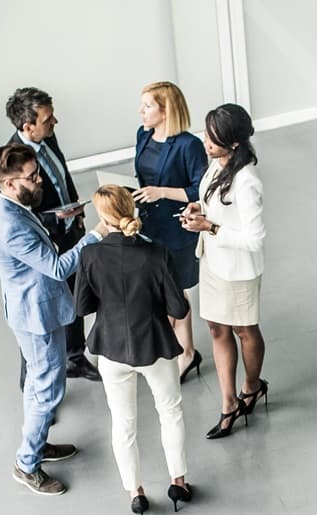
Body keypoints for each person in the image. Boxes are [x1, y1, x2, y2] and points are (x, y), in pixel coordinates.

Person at [0, 144, 105, 495]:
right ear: (7, 182)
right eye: (32, 177)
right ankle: (27, 464)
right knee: (49, 390)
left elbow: (32, 225)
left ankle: (37, 445)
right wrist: (95, 235)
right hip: (38, 314)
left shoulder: (0, 203)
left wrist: (56, 217)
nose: (39, 181)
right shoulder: (9, 227)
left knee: (38, 384)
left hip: (26, 307)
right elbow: (56, 267)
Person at [74, 185, 191, 515]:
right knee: (170, 412)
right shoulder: (156, 254)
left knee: (123, 423)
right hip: (154, 345)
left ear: (103, 217)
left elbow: (82, 307)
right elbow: (179, 308)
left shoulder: (90, 256)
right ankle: (178, 482)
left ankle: (135, 492)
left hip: (111, 349)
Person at [0, 87, 101, 384]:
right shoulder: (9, 165)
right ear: (27, 127)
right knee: (39, 323)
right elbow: (13, 216)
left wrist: (75, 215)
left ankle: (76, 358)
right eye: (48, 118)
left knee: (76, 296)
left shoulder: (48, 136)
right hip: (46, 244)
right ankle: (32, 387)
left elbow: (61, 177)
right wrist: (54, 218)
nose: (55, 122)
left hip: (71, 232)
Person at [178, 103, 268, 439]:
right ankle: (228, 402)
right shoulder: (217, 164)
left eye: (213, 139)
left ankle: (251, 386)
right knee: (217, 328)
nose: (205, 142)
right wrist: (199, 208)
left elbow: (255, 239)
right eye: (206, 134)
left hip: (238, 271)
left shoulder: (247, 182)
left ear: (233, 144)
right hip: (213, 263)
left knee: (245, 331)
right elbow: (212, 201)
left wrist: (210, 227)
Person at [134, 81, 209, 382]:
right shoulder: (143, 135)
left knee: (175, 290)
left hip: (177, 228)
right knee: (159, 290)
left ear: (166, 111)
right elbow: (144, 176)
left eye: (148, 106)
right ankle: (174, 348)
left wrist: (161, 192)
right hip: (149, 224)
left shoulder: (188, 145)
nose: (141, 111)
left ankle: (187, 352)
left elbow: (200, 190)